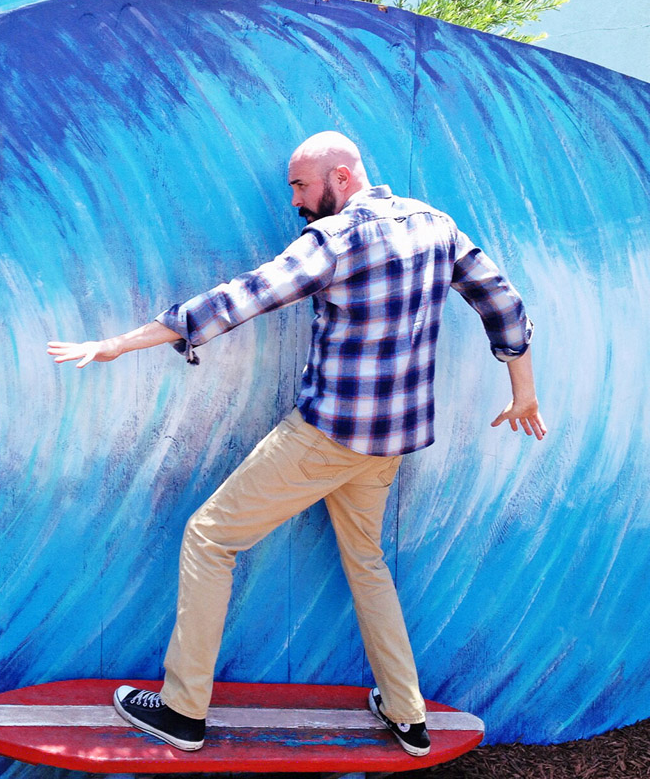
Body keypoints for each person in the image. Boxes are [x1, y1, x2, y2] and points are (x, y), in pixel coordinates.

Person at [48, 131, 546, 757]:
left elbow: (243, 297)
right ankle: (408, 716)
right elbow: (501, 301)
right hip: (390, 440)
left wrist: (120, 343)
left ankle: (182, 711)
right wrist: (523, 392)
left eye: (300, 187)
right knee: (366, 561)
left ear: (340, 177)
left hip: (329, 436)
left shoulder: (337, 239)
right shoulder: (435, 226)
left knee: (209, 537)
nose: (295, 203)